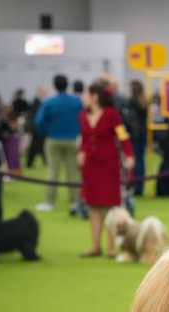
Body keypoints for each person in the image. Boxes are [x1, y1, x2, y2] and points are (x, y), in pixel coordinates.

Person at [77, 80, 134, 257]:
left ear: (95, 97)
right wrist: (81, 152)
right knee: (93, 206)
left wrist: (129, 155)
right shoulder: (82, 116)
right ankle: (95, 246)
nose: (84, 98)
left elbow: (123, 136)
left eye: (86, 95)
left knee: (110, 206)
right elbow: (85, 139)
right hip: (90, 166)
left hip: (109, 165)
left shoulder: (112, 114)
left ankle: (110, 248)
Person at [34, 74, 83, 214]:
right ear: (67, 85)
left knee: (53, 171)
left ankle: (50, 202)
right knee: (73, 172)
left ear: (55, 85)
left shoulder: (49, 102)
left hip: (53, 139)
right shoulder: (77, 102)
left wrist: (47, 131)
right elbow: (84, 118)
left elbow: (39, 121)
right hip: (73, 139)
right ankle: (76, 202)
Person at [128, 80, 149, 196]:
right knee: (141, 160)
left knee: (135, 161)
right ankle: (140, 186)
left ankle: (136, 186)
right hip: (142, 134)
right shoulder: (144, 101)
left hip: (135, 134)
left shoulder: (132, 101)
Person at [25, 85, 48, 168]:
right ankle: (30, 162)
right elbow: (36, 116)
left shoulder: (38, 101)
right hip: (36, 128)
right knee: (36, 145)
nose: (45, 93)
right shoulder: (36, 101)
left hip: (37, 127)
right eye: (44, 91)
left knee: (37, 145)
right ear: (40, 92)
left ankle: (31, 163)